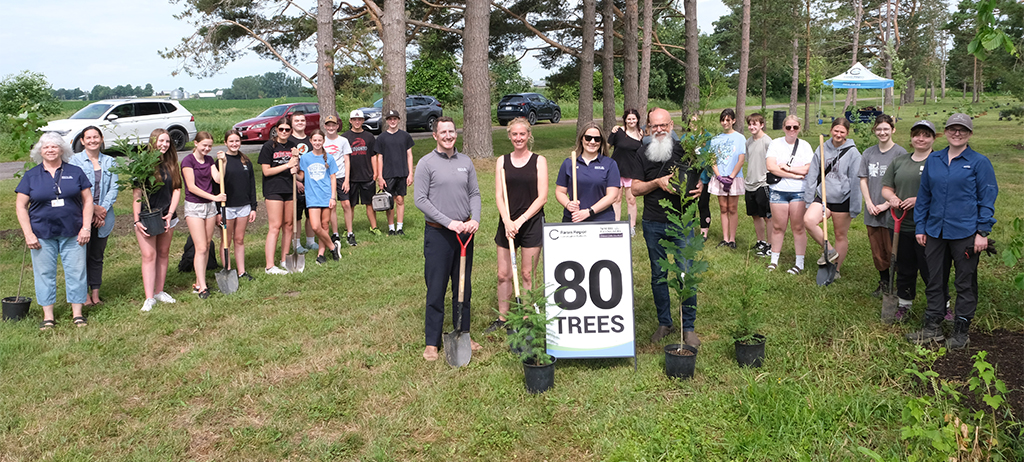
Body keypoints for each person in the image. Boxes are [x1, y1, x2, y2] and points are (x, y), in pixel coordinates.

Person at [906, 113, 998, 350]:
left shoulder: (979, 162)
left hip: (966, 232)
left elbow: (987, 197)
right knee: (935, 280)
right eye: (952, 129)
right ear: (945, 132)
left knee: (964, 282)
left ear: (970, 134)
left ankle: (961, 329)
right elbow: (925, 195)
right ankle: (933, 326)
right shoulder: (934, 160)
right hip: (935, 231)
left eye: (962, 130)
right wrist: (921, 226)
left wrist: (982, 232)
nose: (957, 133)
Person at [631, 108, 702, 347]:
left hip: (682, 223)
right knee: (658, 275)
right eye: (654, 126)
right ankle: (665, 322)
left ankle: (688, 327)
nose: (659, 130)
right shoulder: (642, 153)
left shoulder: (686, 151)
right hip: (652, 222)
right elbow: (635, 189)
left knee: (686, 273)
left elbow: (701, 175)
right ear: (648, 128)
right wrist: (656, 182)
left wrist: (702, 185)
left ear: (671, 126)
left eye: (663, 125)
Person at [414, 117, 482, 361]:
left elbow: (474, 193)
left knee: (463, 286)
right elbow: (420, 200)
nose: (448, 135)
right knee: (436, 287)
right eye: (443, 132)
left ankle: (463, 332)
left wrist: (475, 219)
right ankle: (431, 342)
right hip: (439, 233)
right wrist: (448, 222)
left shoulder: (465, 161)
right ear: (435, 136)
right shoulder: (426, 163)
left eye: (451, 131)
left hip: (464, 233)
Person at [15, 133, 93, 329]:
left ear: (62, 150)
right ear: (40, 151)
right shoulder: (31, 175)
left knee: (77, 272)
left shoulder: (75, 172)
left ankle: (77, 314)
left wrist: (86, 227)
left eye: (54, 147)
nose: (50, 150)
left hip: (73, 232)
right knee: (44, 274)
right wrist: (28, 233)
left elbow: (88, 200)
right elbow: (20, 206)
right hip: (41, 234)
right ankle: (48, 316)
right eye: (45, 147)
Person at [881, 120, 950, 321]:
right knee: (905, 267)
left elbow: (945, 191)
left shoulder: (940, 161)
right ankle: (904, 304)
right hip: (899, 225)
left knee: (932, 269)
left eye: (926, 135)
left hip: (929, 227)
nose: (921, 139)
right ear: (911, 137)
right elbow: (886, 187)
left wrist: (920, 200)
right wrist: (892, 198)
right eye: (917, 134)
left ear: (933, 138)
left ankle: (943, 306)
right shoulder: (900, 161)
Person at [488, 117, 548, 333]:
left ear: (529, 135)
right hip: (507, 223)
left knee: (526, 274)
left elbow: (542, 197)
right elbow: (498, 195)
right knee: (503, 274)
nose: (519, 138)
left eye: (522, 134)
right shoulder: (502, 161)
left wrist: (520, 221)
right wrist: (507, 221)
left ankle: (527, 318)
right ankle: (503, 319)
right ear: (510, 136)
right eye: (515, 134)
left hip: (530, 223)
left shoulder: (539, 161)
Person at [804, 117, 862, 276]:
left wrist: (855, 207)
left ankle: (835, 270)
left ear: (847, 133)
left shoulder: (853, 153)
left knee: (840, 234)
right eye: (836, 130)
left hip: (843, 199)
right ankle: (829, 250)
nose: (838, 134)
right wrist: (809, 200)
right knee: (808, 221)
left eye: (842, 132)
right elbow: (812, 175)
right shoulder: (822, 148)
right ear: (831, 130)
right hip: (823, 197)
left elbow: (857, 181)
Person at [859, 114, 907, 297]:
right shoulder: (868, 153)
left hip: (893, 211)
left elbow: (902, 183)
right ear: (874, 131)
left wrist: (887, 205)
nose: (882, 132)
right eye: (879, 129)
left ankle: (898, 284)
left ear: (893, 130)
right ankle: (884, 282)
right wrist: (869, 203)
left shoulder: (900, 154)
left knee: (892, 249)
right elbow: (863, 179)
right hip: (872, 210)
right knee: (877, 250)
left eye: (886, 129)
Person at [134, 129, 182, 311]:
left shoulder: (171, 164)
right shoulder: (143, 165)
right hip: (147, 216)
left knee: (163, 253)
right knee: (149, 255)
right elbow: (137, 194)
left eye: (167, 141)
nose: (164, 144)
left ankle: (159, 291)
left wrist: (170, 213)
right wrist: (137, 219)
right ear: (153, 141)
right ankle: (149, 297)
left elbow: (177, 189)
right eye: (161, 141)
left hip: (167, 216)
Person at [69, 126, 118, 306]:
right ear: (82, 141)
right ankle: (84, 295)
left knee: (97, 256)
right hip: (81, 217)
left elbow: (114, 188)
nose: (92, 140)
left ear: (101, 138)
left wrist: (102, 209)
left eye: (95, 137)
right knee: (81, 256)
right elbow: (74, 189)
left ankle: (95, 293)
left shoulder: (110, 162)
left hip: (104, 218)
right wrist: (93, 209)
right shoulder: (74, 161)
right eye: (88, 138)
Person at [764, 115, 814, 274]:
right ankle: (774, 261)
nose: (792, 130)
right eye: (788, 127)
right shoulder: (775, 144)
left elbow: (808, 169)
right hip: (779, 191)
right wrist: (794, 175)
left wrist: (787, 168)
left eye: (795, 127)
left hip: (798, 191)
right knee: (778, 227)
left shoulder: (805, 146)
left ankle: (799, 263)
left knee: (798, 227)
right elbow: (771, 167)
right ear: (783, 128)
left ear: (799, 128)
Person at [182, 132, 226, 299]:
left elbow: (217, 179)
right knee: (200, 247)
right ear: (196, 143)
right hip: (195, 207)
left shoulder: (208, 160)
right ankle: (202, 287)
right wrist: (215, 197)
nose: (207, 148)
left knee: (207, 245)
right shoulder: (188, 161)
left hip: (209, 207)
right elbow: (191, 187)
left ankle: (199, 281)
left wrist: (224, 162)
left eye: (210, 146)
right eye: (204, 145)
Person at [258, 118, 300, 275]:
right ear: (276, 129)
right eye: (281, 129)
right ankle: (270, 266)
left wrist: (295, 166)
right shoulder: (268, 146)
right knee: (275, 226)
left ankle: (284, 259)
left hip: (289, 188)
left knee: (289, 225)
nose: (284, 132)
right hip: (274, 189)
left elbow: (296, 168)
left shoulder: (292, 147)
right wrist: (287, 165)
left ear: (291, 131)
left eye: (287, 130)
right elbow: (266, 171)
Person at [555, 122, 620, 222]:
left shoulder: (610, 164)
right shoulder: (569, 163)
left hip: (601, 220)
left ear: (601, 141)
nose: (592, 142)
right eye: (588, 138)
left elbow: (612, 196)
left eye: (597, 139)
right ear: (582, 138)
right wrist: (568, 204)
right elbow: (560, 191)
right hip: (574, 219)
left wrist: (589, 212)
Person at [218, 129, 258, 281]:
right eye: (231, 141)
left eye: (237, 141)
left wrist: (253, 207)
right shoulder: (222, 161)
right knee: (226, 240)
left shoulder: (246, 161)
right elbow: (217, 185)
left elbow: (252, 185)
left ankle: (241, 271)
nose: (234, 144)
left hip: (244, 206)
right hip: (227, 207)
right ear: (225, 143)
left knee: (239, 239)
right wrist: (218, 211)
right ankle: (227, 269)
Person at [298, 129, 342, 265]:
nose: (317, 143)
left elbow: (333, 178)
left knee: (324, 225)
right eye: (314, 140)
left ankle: (321, 254)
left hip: (326, 195)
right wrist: (293, 173)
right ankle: (333, 247)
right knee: (316, 226)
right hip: (312, 197)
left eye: (319, 140)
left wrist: (333, 197)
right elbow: (301, 176)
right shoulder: (305, 158)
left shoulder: (329, 158)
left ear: (323, 141)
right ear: (311, 141)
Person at [707, 108, 746, 248]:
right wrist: (719, 176)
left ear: (733, 121)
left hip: (734, 177)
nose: (725, 123)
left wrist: (731, 177)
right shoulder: (715, 139)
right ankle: (725, 238)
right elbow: (712, 159)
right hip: (720, 177)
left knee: (733, 208)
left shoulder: (740, 138)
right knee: (723, 208)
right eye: (723, 120)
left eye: (728, 120)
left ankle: (732, 239)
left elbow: (741, 159)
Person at [374, 110, 415, 235]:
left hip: (402, 172)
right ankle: (391, 227)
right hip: (388, 173)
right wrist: (380, 176)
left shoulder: (405, 136)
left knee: (400, 200)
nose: (392, 121)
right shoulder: (381, 138)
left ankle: (399, 227)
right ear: (386, 121)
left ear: (398, 120)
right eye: (390, 119)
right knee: (389, 201)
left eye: (395, 119)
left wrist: (410, 173)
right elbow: (379, 158)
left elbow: (409, 155)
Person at [342, 110, 382, 235]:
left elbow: (373, 156)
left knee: (369, 203)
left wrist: (375, 172)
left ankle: (374, 227)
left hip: (367, 175)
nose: (357, 121)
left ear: (363, 121)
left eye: (359, 119)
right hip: (351, 177)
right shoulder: (345, 137)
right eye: (354, 119)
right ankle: (348, 229)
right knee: (350, 205)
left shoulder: (369, 137)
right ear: (350, 121)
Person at [608, 109, 644, 235]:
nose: (631, 121)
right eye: (629, 119)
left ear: (637, 119)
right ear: (625, 120)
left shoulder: (641, 134)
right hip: (616, 170)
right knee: (616, 199)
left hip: (632, 171)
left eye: (633, 118)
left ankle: (631, 226)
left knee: (631, 200)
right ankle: (616, 224)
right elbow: (606, 147)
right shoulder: (618, 132)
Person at [322, 114, 355, 247]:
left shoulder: (343, 141)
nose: (331, 128)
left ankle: (350, 233)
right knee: (332, 205)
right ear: (325, 127)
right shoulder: (321, 141)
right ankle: (335, 233)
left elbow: (347, 160)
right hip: (327, 177)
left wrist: (347, 179)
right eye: (328, 125)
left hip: (341, 176)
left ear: (337, 126)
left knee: (346, 204)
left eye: (333, 125)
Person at [743, 113, 772, 257]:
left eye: (755, 124)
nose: (752, 127)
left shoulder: (767, 142)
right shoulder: (748, 142)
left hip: (763, 183)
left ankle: (771, 245)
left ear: (762, 125)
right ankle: (761, 241)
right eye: (750, 124)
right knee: (755, 215)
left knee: (767, 216)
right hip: (750, 183)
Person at [289, 112, 316, 251]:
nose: (300, 123)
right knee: (297, 216)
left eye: (302, 120)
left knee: (311, 213)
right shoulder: (289, 141)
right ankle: (297, 243)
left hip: (311, 184)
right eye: (297, 120)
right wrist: (297, 182)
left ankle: (311, 241)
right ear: (292, 123)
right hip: (296, 184)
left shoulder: (310, 141)